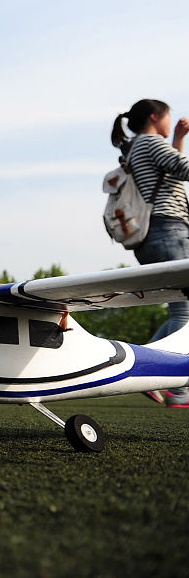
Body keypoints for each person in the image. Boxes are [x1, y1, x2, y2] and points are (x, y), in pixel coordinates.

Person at [111, 98, 189, 408]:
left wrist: (179, 140)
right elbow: (184, 170)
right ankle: (178, 389)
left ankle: (144, 368)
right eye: (168, 117)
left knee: (181, 311)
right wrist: (176, 144)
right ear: (156, 117)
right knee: (183, 314)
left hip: (155, 236)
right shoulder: (150, 143)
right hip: (168, 230)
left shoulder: (139, 147)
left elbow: (170, 178)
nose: (170, 123)